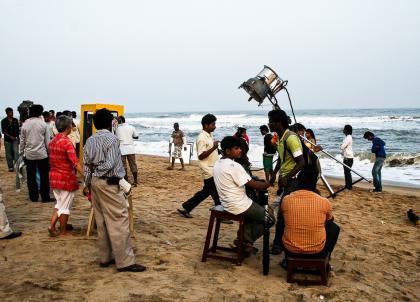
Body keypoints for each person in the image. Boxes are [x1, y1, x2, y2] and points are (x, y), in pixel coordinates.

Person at [83, 108, 146, 272]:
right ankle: (125, 262)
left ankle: (105, 257)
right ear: (111, 122)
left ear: (96, 124)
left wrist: (87, 182)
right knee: (119, 220)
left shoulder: (90, 140)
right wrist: (99, 173)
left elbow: (86, 164)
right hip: (109, 182)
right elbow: (110, 163)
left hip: (95, 184)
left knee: (102, 220)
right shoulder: (112, 139)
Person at [213, 136, 275, 252]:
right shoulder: (234, 166)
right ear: (227, 151)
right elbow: (254, 185)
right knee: (270, 218)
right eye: (236, 148)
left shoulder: (218, 163)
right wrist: (267, 183)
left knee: (258, 213)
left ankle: (244, 240)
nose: (240, 150)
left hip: (227, 203)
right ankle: (246, 240)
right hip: (239, 205)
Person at [280, 169, 340, 265]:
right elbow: (330, 220)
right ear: (315, 183)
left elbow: (283, 216)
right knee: (334, 227)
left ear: (298, 182)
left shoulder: (287, 200)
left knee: (283, 221)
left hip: (290, 249)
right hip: (316, 251)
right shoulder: (324, 201)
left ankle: (286, 258)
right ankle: (326, 258)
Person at [268, 109, 305, 254]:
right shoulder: (281, 138)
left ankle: (278, 245)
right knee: (284, 210)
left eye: (270, 121)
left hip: (294, 181)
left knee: (283, 212)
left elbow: (301, 162)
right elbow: (282, 158)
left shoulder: (291, 138)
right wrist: (274, 173)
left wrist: (287, 177)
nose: (269, 124)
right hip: (286, 179)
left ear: (278, 123)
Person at [177, 114, 224, 219]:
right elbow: (201, 156)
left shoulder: (209, 136)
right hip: (208, 170)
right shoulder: (201, 138)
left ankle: (186, 208)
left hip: (213, 168)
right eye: (213, 124)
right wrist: (214, 147)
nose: (215, 126)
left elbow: (209, 151)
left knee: (204, 193)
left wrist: (218, 150)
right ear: (206, 125)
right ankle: (221, 216)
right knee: (217, 194)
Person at [48, 116, 84, 237]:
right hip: (65, 178)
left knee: (59, 204)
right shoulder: (67, 142)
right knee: (65, 207)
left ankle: (51, 225)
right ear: (68, 127)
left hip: (54, 176)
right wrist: (85, 176)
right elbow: (76, 162)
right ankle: (63, 232)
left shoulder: (52, 141)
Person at [20, 104, 53, 202]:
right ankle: (45, 197)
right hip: (42, 154)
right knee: (44, 177)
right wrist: (49, 153)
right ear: (40, 112)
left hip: (29, 155)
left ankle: (33, 197)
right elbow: (47, 142)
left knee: (31, 176)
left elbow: (22, 141)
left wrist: (21, 153)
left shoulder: (25, 124)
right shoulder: (43, 124)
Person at [115, 116, 139, 186]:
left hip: (122, 149)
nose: (117, 121)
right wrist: (130, 136)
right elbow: (136, 136)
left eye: (118, 120)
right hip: (130, 148)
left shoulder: (117, 129)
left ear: (121, 120)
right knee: (133, 165)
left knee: (123, 166)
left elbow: (116, 138)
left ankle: (126, 180)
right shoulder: (131, 127)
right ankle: (135, 181)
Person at [1, 107, 20, 172]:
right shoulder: (3, 121)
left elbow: (18, 130)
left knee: (16, 153)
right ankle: (11, 167)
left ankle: (17, 166)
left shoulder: (15, 120)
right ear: (7, 113)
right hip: (7, 140)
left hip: (15, 139)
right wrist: (10, 136)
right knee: (8, 154)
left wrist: (17, 137)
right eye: (10, 112)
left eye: (12, 112)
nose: (11, 113)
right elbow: (3, 131)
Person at [341, 125, 354, 190]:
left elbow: (342, 146)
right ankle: (348, 185)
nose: (343, 130)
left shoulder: (348, 138)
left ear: (346, 130)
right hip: (348, 157)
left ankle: (349, 186)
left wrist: (342, 148)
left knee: (347, 172)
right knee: (347, 172)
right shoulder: (348, 137)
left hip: (348, 158)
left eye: (344, 129)